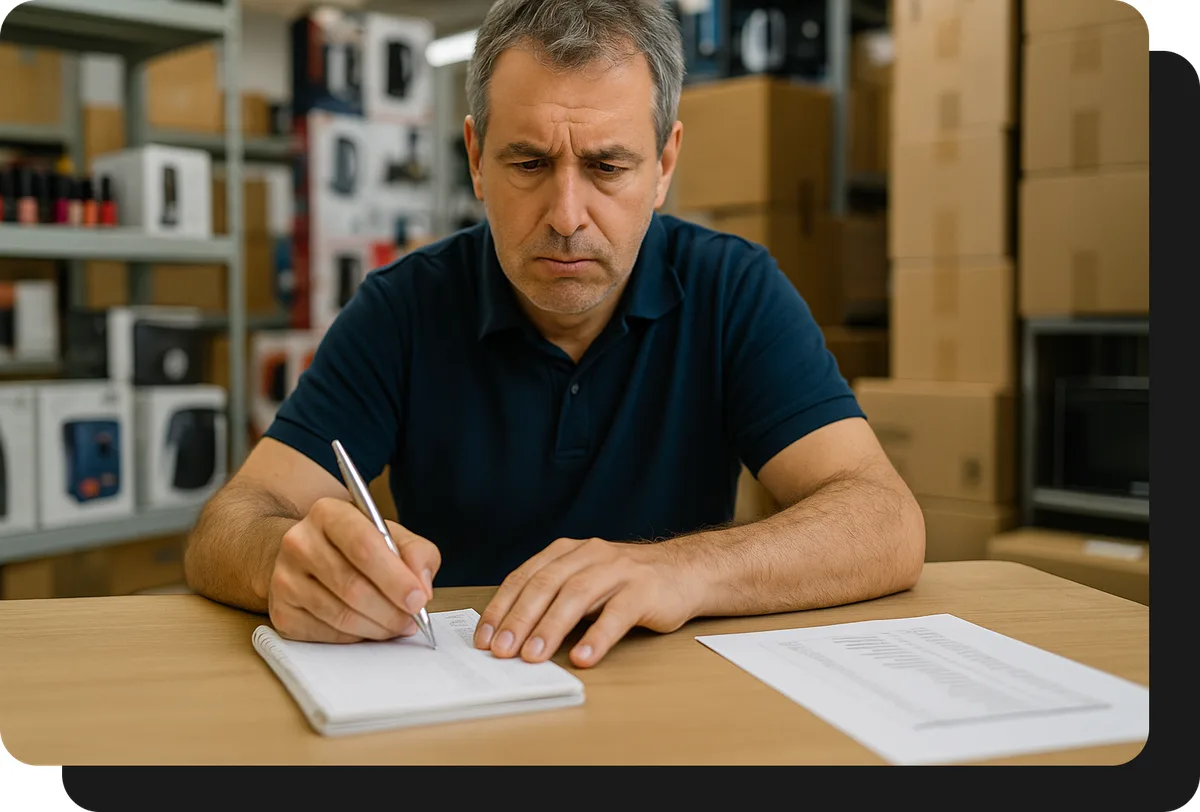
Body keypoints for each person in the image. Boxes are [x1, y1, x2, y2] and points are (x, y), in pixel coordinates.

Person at [183, 0, 925, 669]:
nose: (566, 214)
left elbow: (884, 519)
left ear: (664, 164)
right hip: (460, 691)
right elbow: (231, 521)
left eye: (608, 166)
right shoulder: (402, 307)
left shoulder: (732, 290)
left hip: (676, 699)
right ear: (476, 158)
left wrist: (682, 571)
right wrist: (291, 558)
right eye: (530, 163)